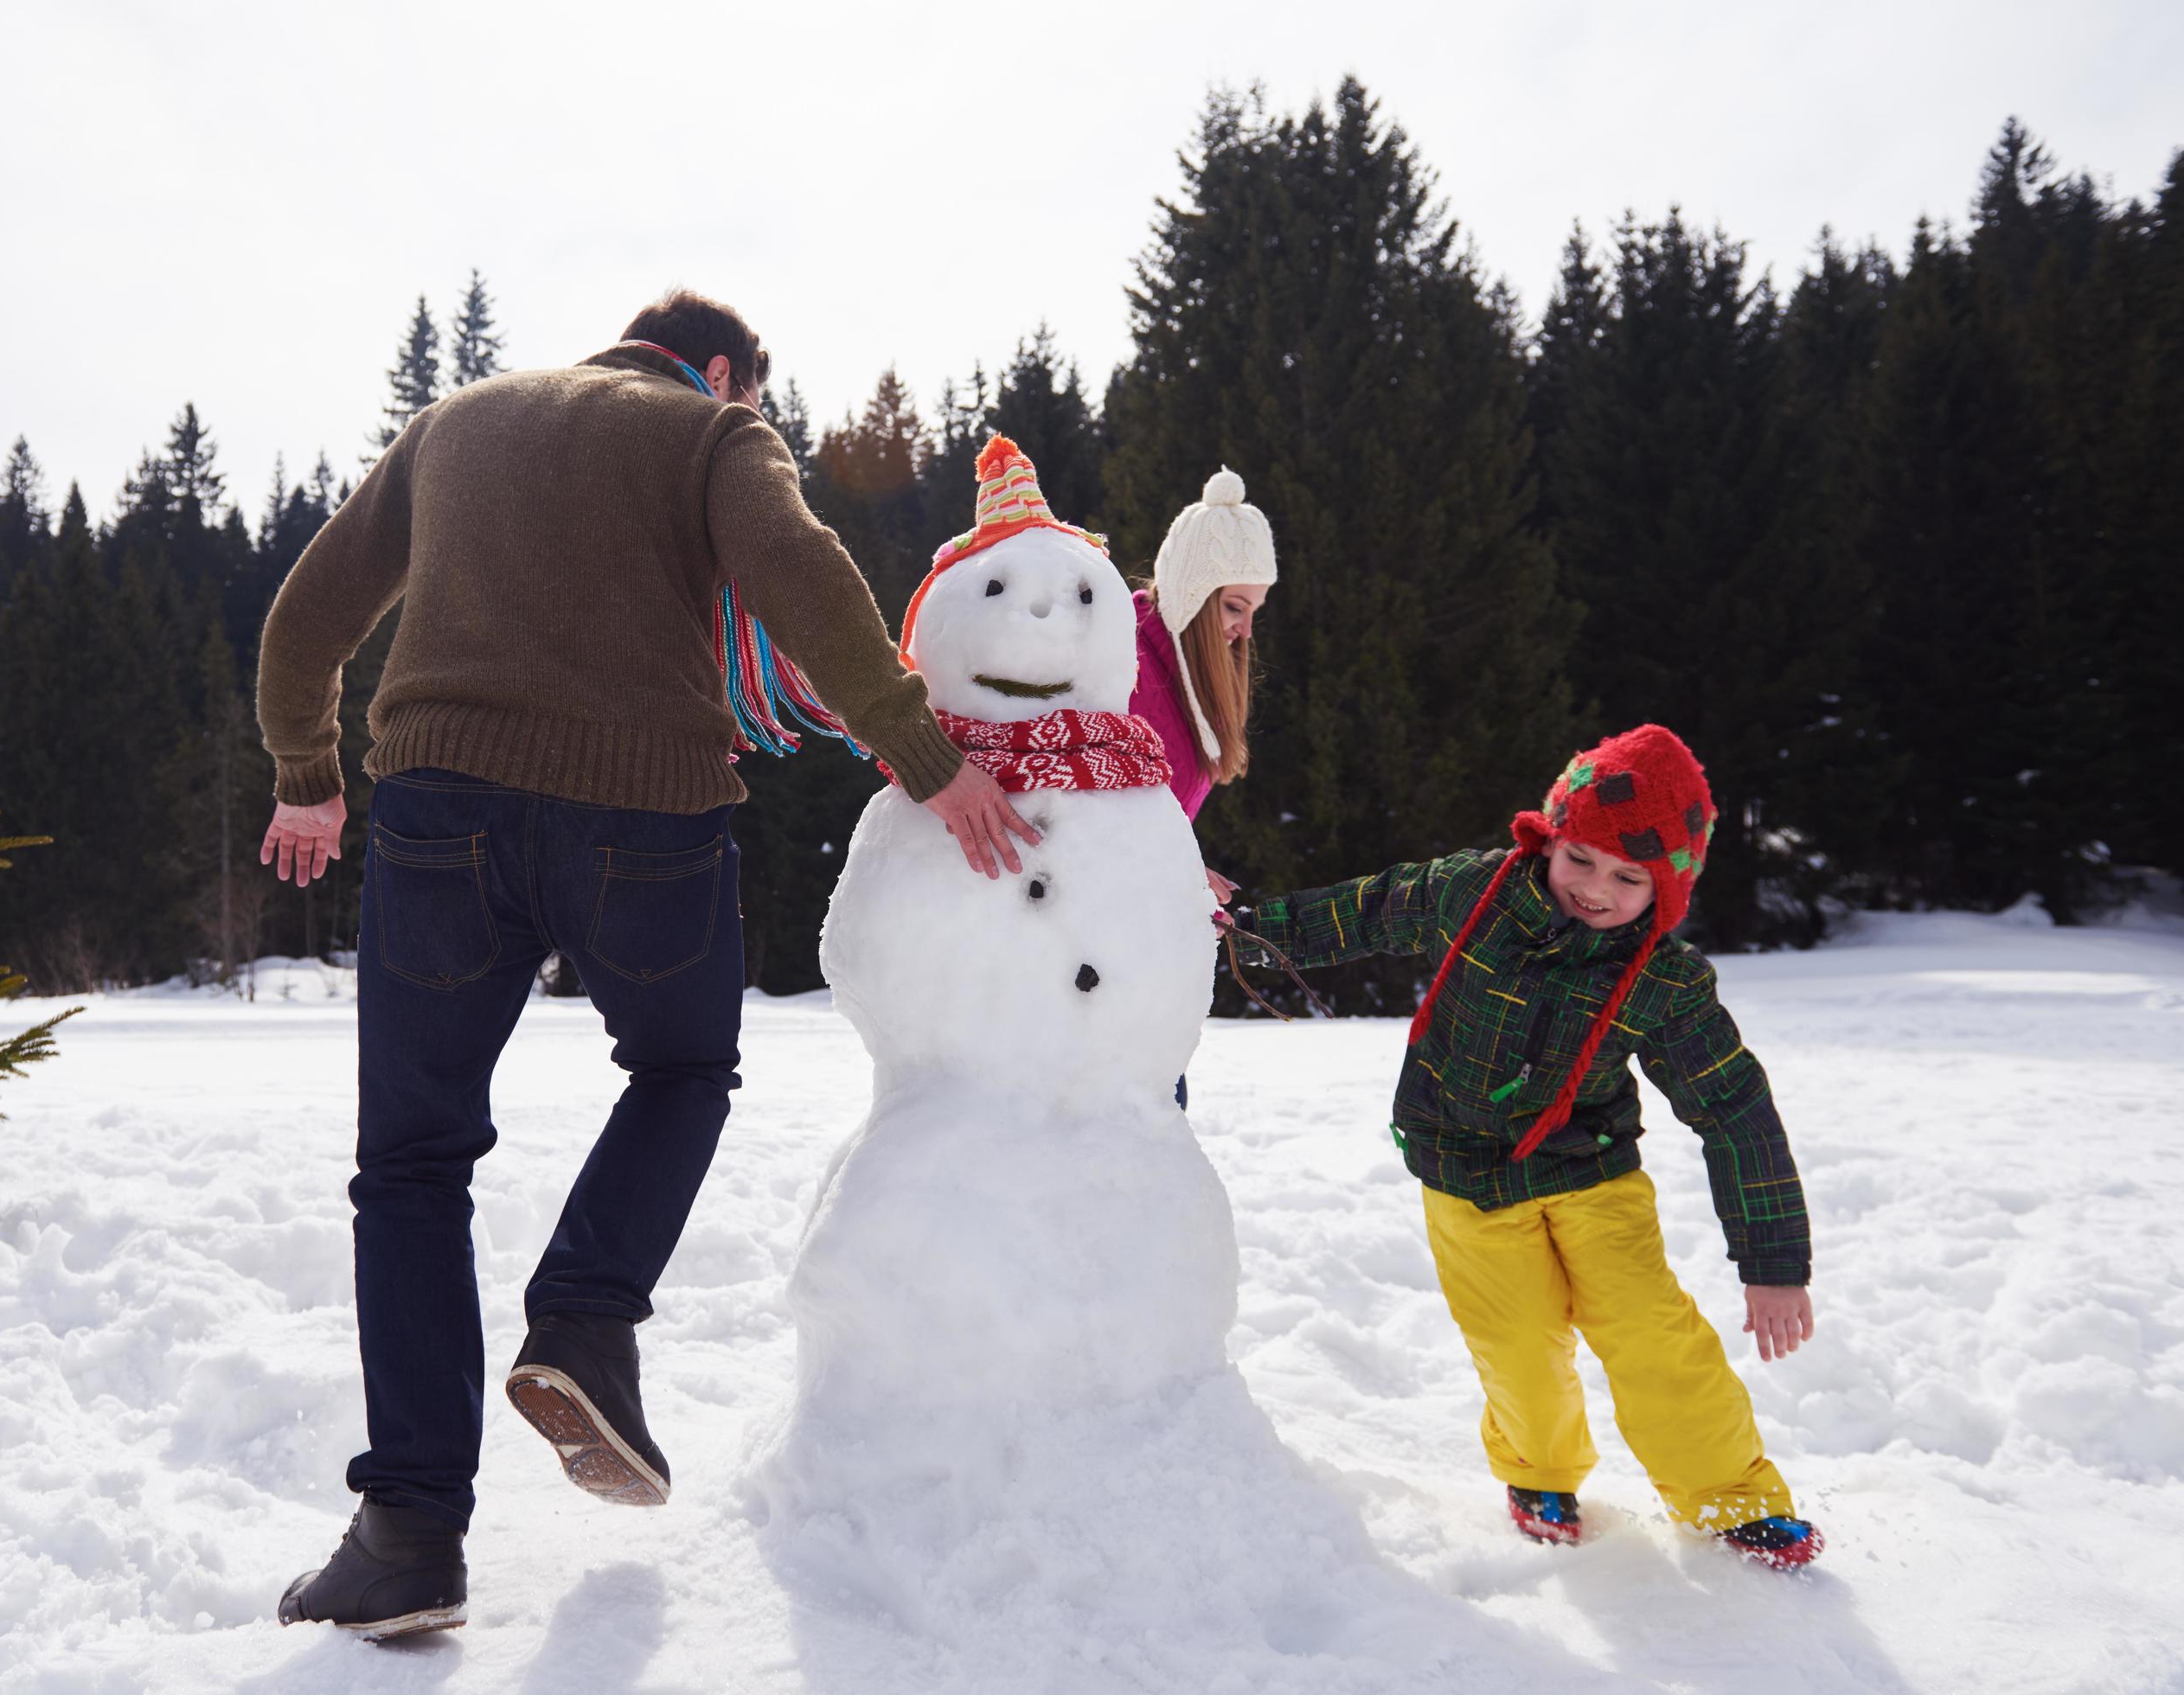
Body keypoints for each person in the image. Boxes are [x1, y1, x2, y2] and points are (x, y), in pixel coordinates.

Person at [253, 289, 1038, 1640]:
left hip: (442, 810)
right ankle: (584, 1318)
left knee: (413, 1165)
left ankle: (407, 1536)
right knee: (682, 1066)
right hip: (647, 817)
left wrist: (307, 775)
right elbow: (802, 579)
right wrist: (924, 754)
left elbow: (306, 616)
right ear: (721, 369)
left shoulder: (454, 425)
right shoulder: (713, 437)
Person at [1230, 724, 1822, 1568]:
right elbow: (1364, 910)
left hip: (1593, 1176)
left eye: (1630, 878)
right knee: (1515, 1343)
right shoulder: (1474, 893)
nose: (1595, 889)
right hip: (1463, 1173)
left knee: (1654, 1337)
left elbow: (1734, 1108)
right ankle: (1539, 1471)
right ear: (1551, 832)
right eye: (1581, 857)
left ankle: (1732, 1500)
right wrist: (1246, 929)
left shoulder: (1662, 978)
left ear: (1669, 890)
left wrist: (1773, 1261)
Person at [1130, 466, 1275, 1105]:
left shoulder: (1184, 673)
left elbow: (1145, 814)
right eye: (1233, 605)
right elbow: (1084, 811)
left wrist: (1183, 874)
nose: (1244, 628)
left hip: (1144, 945)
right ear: (1192, 591)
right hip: (1098, 959)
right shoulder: (1127, 665)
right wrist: (1176, 872)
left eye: (1253, 610)